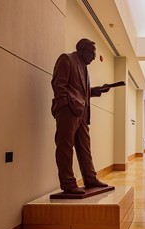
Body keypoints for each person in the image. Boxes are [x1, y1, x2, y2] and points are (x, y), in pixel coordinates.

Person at [51, 38, 109, 194]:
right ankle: (68, 183)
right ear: (82, 50)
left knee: (84, 147)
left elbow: (81, 92)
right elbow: (58, 85)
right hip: (69, 111)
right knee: (65, 147)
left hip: (81, 113)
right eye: (92, 52)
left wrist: (95, 91)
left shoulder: (84, 68)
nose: (94, 56)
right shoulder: (67, 59)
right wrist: (66, 106)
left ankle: (90, 178)